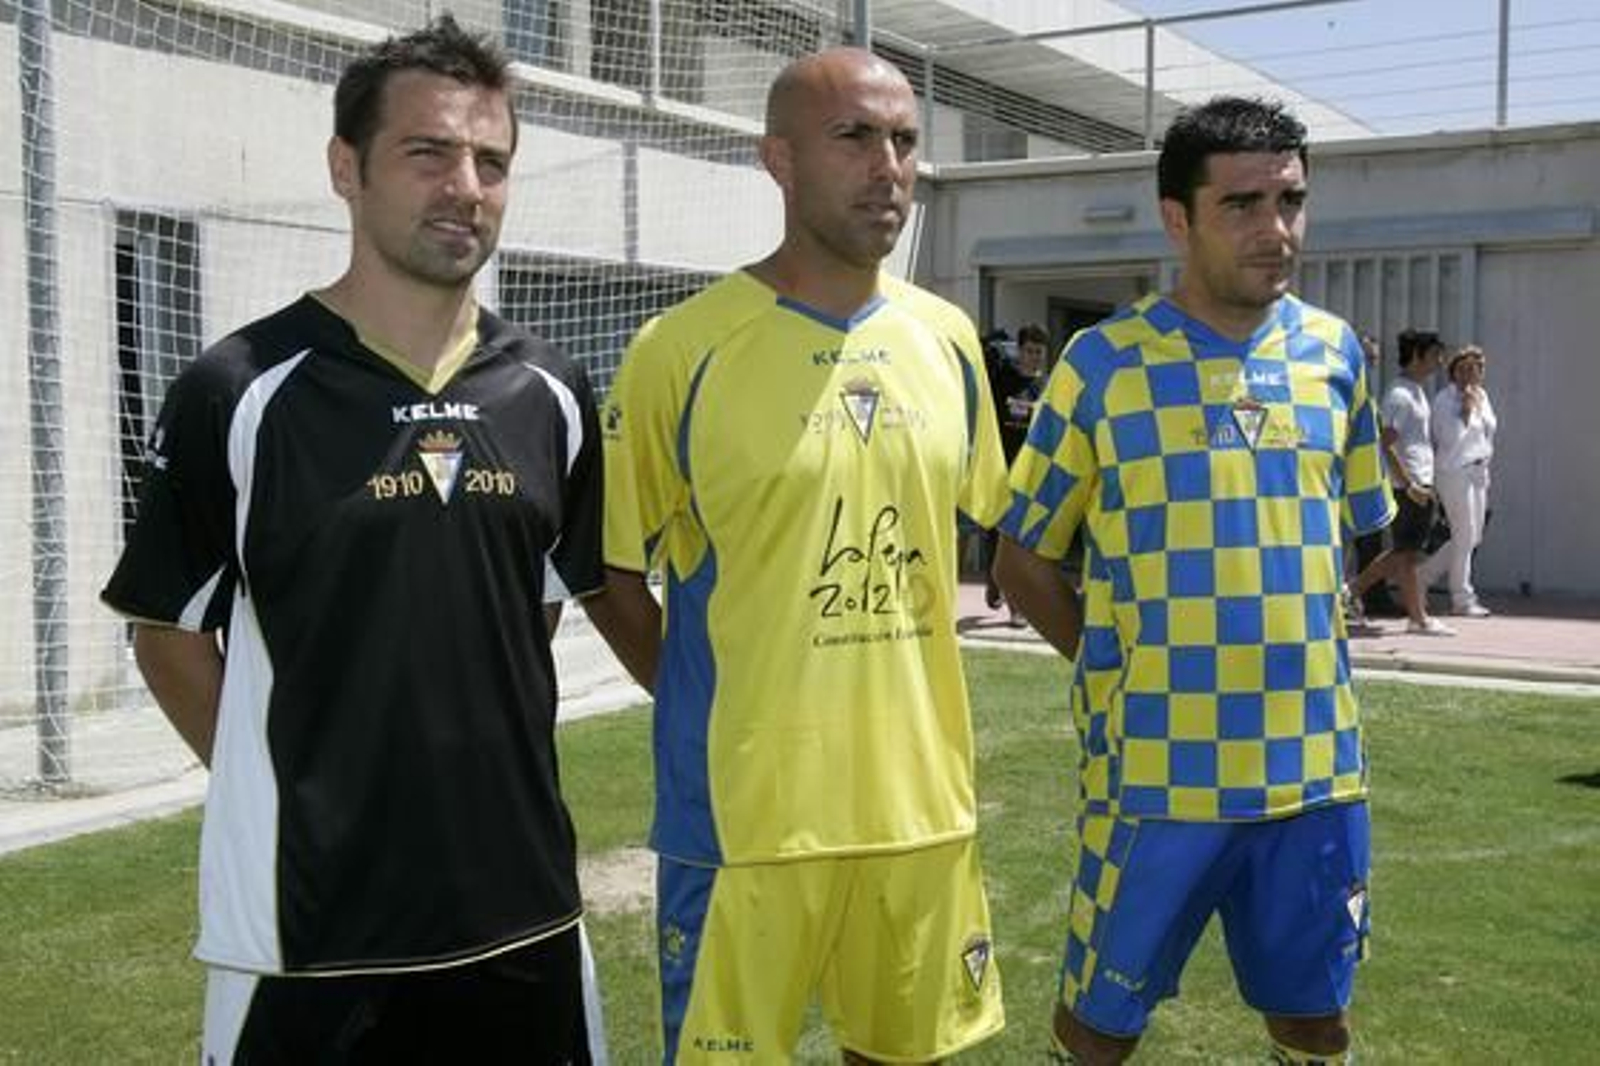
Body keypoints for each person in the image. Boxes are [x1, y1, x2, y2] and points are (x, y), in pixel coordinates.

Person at [100, 17, 607, 1063]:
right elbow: (170, 636)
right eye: (428, 152)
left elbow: (530, 613)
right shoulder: (238, 390)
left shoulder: (552, 393)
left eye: (490, 160)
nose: (464, 184)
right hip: (306, 932)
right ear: (347, 167)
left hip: (523, 915)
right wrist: (296, 791)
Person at [584, 46, 1008, 1064]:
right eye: (853, 137)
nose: (889, 166)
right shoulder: (678, 351)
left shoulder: (948, 341)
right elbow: (609, 573)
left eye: (905, 140)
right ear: (776, 158)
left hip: (918, 811)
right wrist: (709, 700)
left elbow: (980, 521)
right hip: (744, 825)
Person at [994, 96, 1391, 1064]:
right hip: (1157, 775)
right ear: (1178, 218)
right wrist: (1118, 657)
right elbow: (1021, 556)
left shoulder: (1335, 354)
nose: (1277, 229)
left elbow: (1366, 527)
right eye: (1244, 205)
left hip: (1314, 775)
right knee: (1099, 1026)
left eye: (1291, 200)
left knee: (1314, 1021)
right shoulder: (1101, 364)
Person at [1347, 327, 1456, 635]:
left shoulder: (1416, 390)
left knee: (1407, 554)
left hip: (1419, 482)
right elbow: (1385, 441)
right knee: (1405, 554)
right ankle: (1412, 617)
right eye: (1435, 354)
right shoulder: (1399, 394)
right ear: (1418, 355)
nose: (1440, 361)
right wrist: (1409, 485)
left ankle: (1362, 597)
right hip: (1407, 486)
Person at [1415, 345, 1497, 616]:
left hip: (1478, 471)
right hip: (1453, 471)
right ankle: (1462, 598)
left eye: (1475, 368)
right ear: (1453, 372)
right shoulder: (1444, 400)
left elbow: (1487, 435)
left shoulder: (1483, 396)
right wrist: (1465, 410)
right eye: (1463, 368)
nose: (1469, 374)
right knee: (1463, 534)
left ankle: (1422, 577)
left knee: (1473, 537)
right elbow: (1448, 440)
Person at [983, 322, 1050, 618]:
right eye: (1029, 351)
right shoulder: (1002, 379)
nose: (1034, 357)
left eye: (1039, 352)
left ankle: (1015, 606)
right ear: (1019, 351)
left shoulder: (1045, 387)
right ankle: (995, 579)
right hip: (999, 470)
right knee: (996, 534)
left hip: (1029, 475)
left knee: (1020, 539)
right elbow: (982, 359)